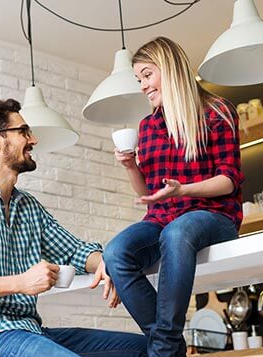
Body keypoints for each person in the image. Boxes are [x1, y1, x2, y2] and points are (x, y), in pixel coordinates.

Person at [0, 99, 147, 357]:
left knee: (146, 349)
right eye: (24, 131)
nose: (34, 140)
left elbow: (74, 251)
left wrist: (107, 262)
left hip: (30, 331)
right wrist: (21, 282)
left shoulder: (26, 206)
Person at [103, 37, 244, 357]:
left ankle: (164, 346)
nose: (142, 86)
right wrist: (130, 166)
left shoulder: (217, 111)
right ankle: (168, 346)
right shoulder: (148, 126)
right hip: (163, 217)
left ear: (170, 69)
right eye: (139, 79)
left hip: (215, 215)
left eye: (147, 75)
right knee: (116, 253)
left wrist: (184, 189)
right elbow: (150, 196)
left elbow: (228, 181)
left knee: (177, 232)